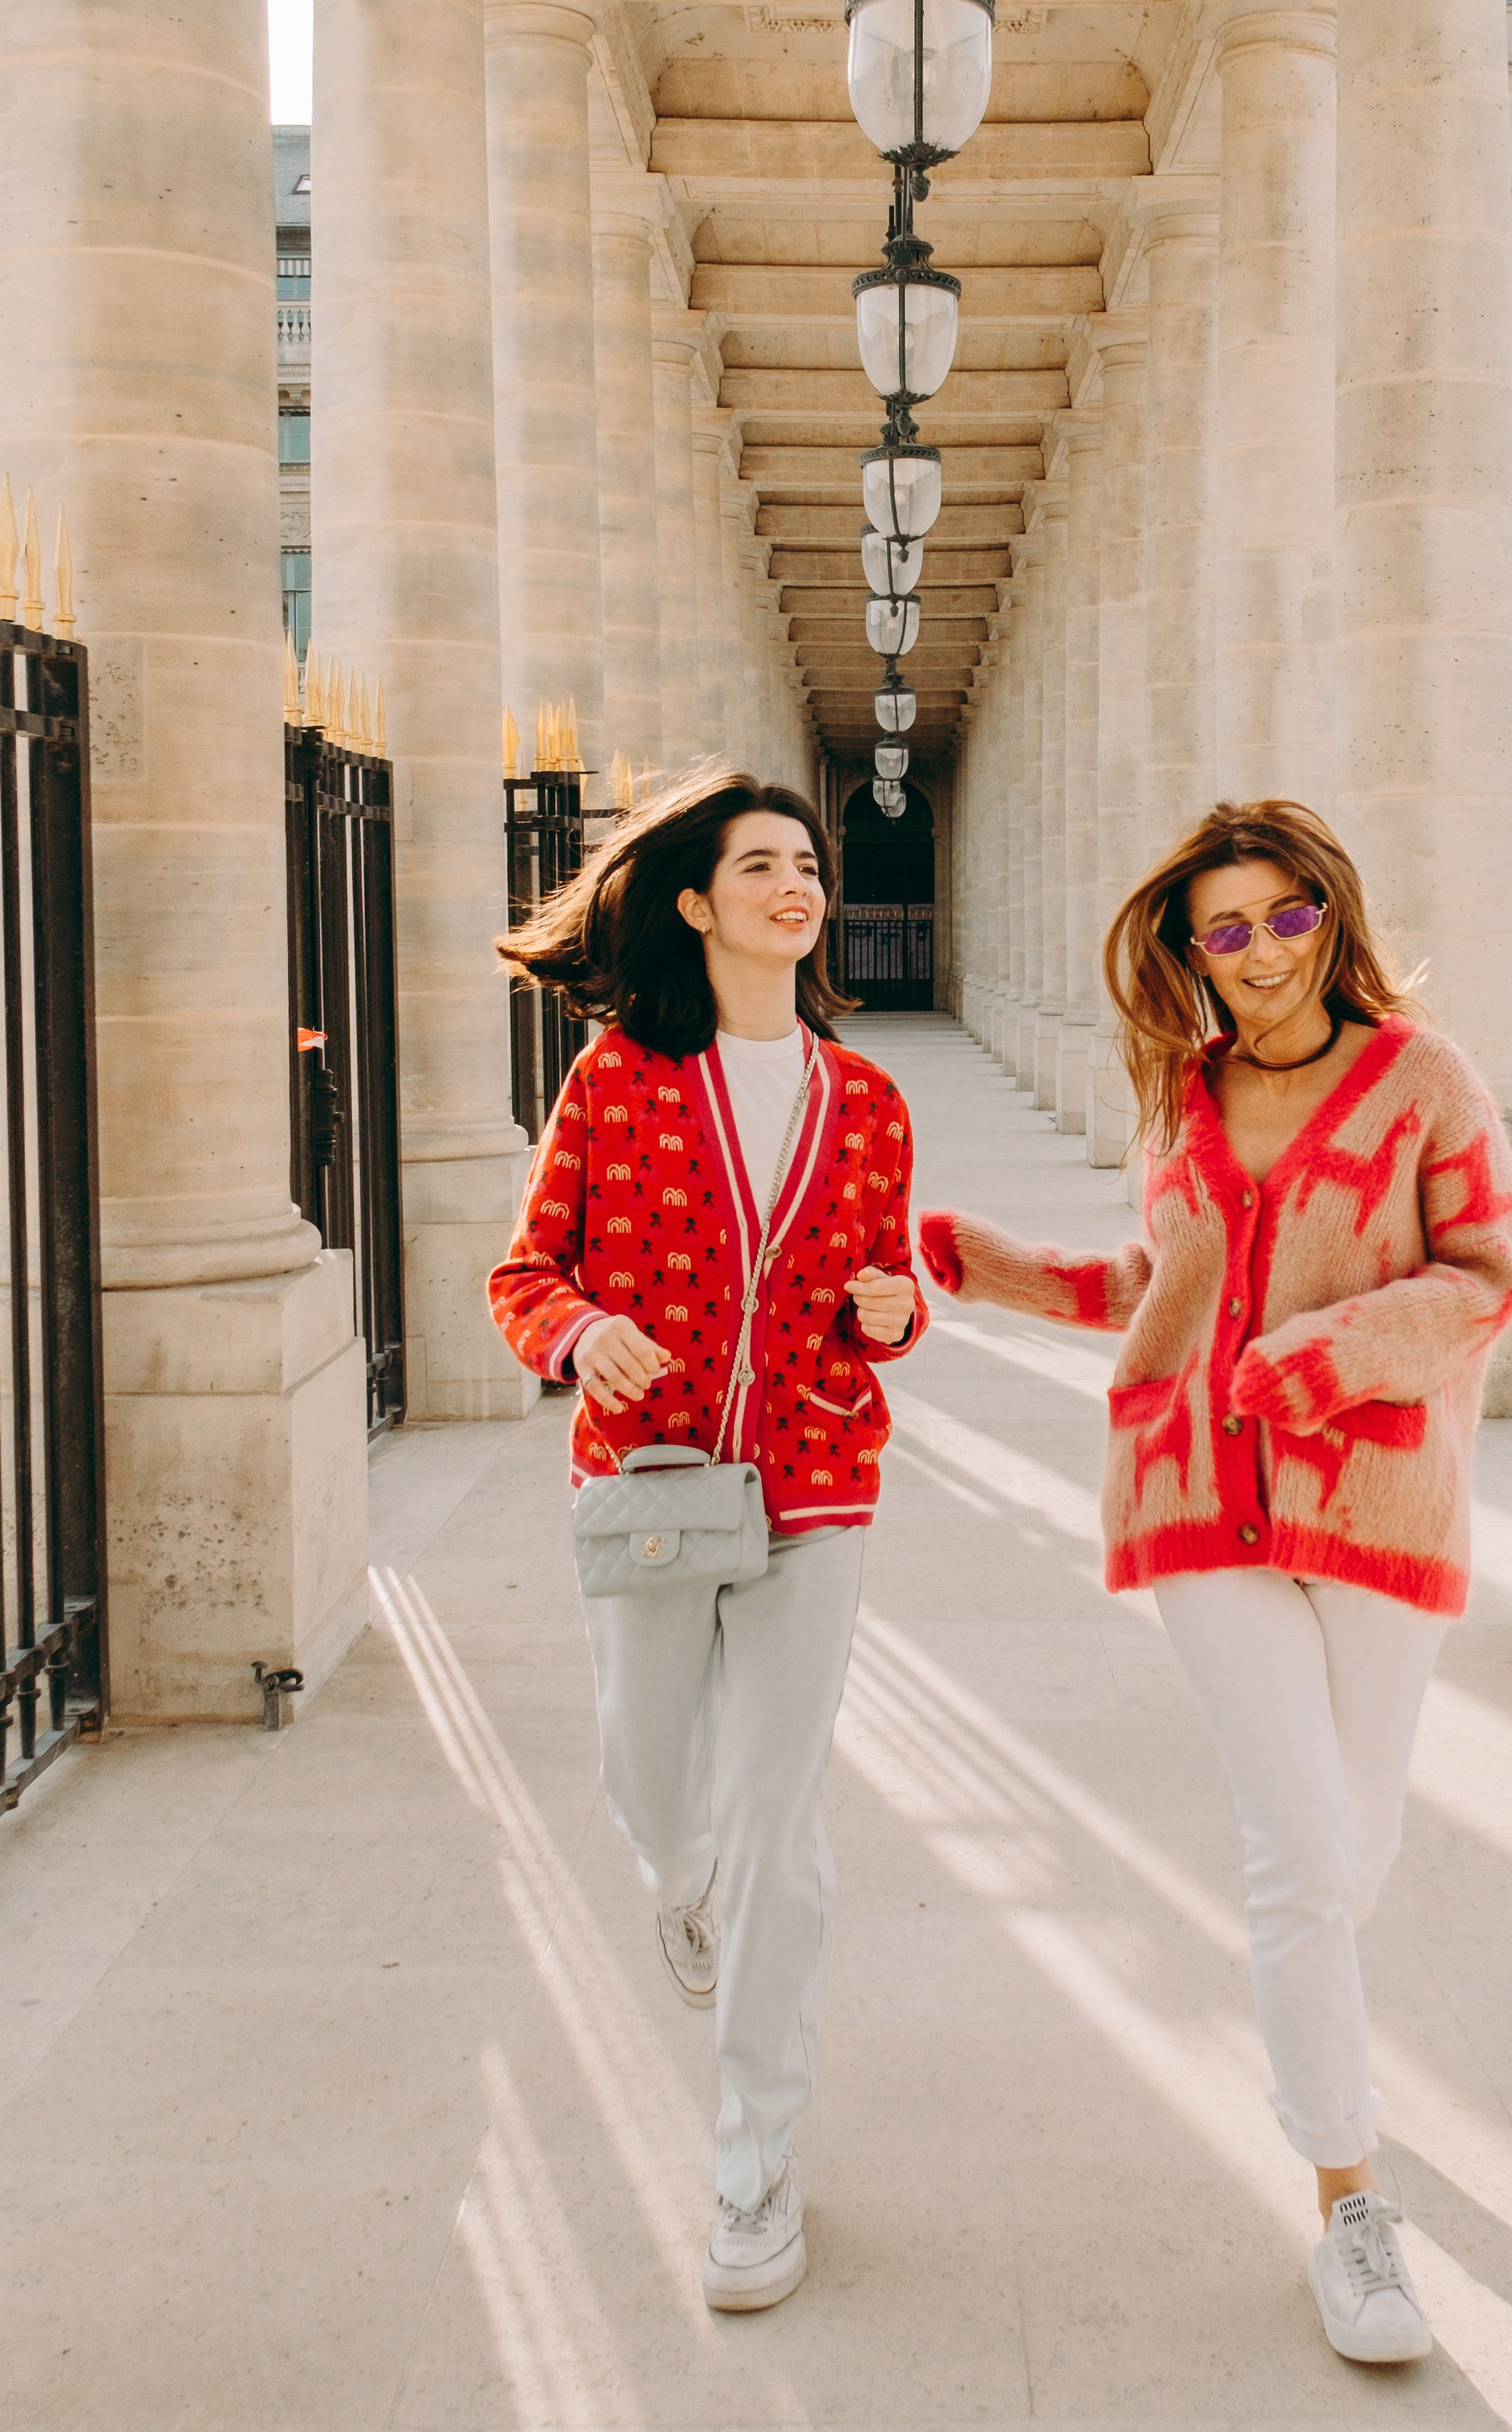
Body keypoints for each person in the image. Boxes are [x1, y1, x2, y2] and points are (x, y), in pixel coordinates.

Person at [916, 800, 1512, 2369]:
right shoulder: (1178, 1094)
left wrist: (1323, 1362)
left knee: (1348, 1850)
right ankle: (1349, 2199)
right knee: (1298, 1849)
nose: (1259, 952)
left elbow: (1484, 1277)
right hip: (1192, 1497)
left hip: (1377, 1492)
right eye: (1225, 929)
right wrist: (999, 1271)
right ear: (1189, 951)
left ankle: (1309, 2034)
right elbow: (1162, 1280)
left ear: (1332, 912)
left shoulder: (1423, 1082)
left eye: (1286, 914)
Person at [488, 773, 923, 2314]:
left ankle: (754, 2160)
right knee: (650, 1779)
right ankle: (684, 1879)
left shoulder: (865, 1100)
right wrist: (583, 1328)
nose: (796, 886)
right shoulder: (614, 1080)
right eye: (761, 866)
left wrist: (898, 1311)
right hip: (655, 1480)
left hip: (816, 1486)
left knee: (780, 1837)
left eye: (807, 865)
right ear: (696, 902)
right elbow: (526, 1271)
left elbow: (891, 1287)